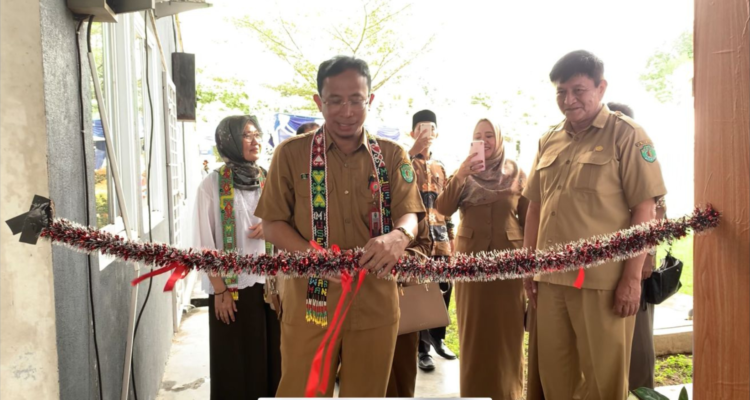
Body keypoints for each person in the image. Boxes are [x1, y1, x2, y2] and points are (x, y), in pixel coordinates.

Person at [255, 55, 425, 397]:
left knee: (366, 393)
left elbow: (410, 214)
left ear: (370, 100)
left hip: (375, 298)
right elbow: (272, 224)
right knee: (302, 391)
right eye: (335, 101)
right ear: (320, 101)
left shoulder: (392, 155)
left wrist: (399, 235)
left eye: (356, 100)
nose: (346, 111)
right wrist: (311, 253)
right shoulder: (290, 154)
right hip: (310, 303)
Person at [523, 50, 667, 400]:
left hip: (602, 282)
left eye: (578, 90)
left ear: (601, 88)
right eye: (561, 92)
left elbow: (644, 210)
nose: (568, 100)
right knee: (555, 379)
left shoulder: (627, 135)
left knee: (604, 382)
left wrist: (632, 279)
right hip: (551, 280)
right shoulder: (549, 139)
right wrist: (528, 265)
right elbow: (535, 207)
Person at [435, 118, 528, 400]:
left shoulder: (516, 172)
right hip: (470, 264)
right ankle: (474, 394)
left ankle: (509, 393)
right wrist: (462, 173)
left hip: (509, 263)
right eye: (478, 135)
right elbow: (442, 209)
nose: (484, 140)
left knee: (508, 333)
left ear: (499, 139)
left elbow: (527, 217)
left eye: (489, 135)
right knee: (474, 333)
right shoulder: (463, 171)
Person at [192, 115, 281, 400]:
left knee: (273, 360)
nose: (256, 141)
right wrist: (220, 291)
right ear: (229, 141)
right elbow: (204, 244)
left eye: (257, 133)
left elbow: (287, 226)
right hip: (231, 290)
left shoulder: (269, 179)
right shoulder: (212, 185)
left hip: (271, 288)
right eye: (246, 135)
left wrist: (272, 229)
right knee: (235, 364)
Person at [409, 110, 457, 372]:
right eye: (420, 127)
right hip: (416, 240)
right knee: (420, 292)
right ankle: (422, 349)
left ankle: (439, 340)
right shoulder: (403, 162)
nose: (426, 132)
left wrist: (451, 237)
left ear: (437, 132)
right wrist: (411, 151)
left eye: (430, 128)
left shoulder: (441, 166)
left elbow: (446, 206)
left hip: (441, 239)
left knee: (444, 289)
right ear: (413, 132)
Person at [385, 219, 433, 397]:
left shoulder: (410, 206)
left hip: (402, 296)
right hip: (358, 297)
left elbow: (425, 246)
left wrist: (402, 256)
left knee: (402, 367)